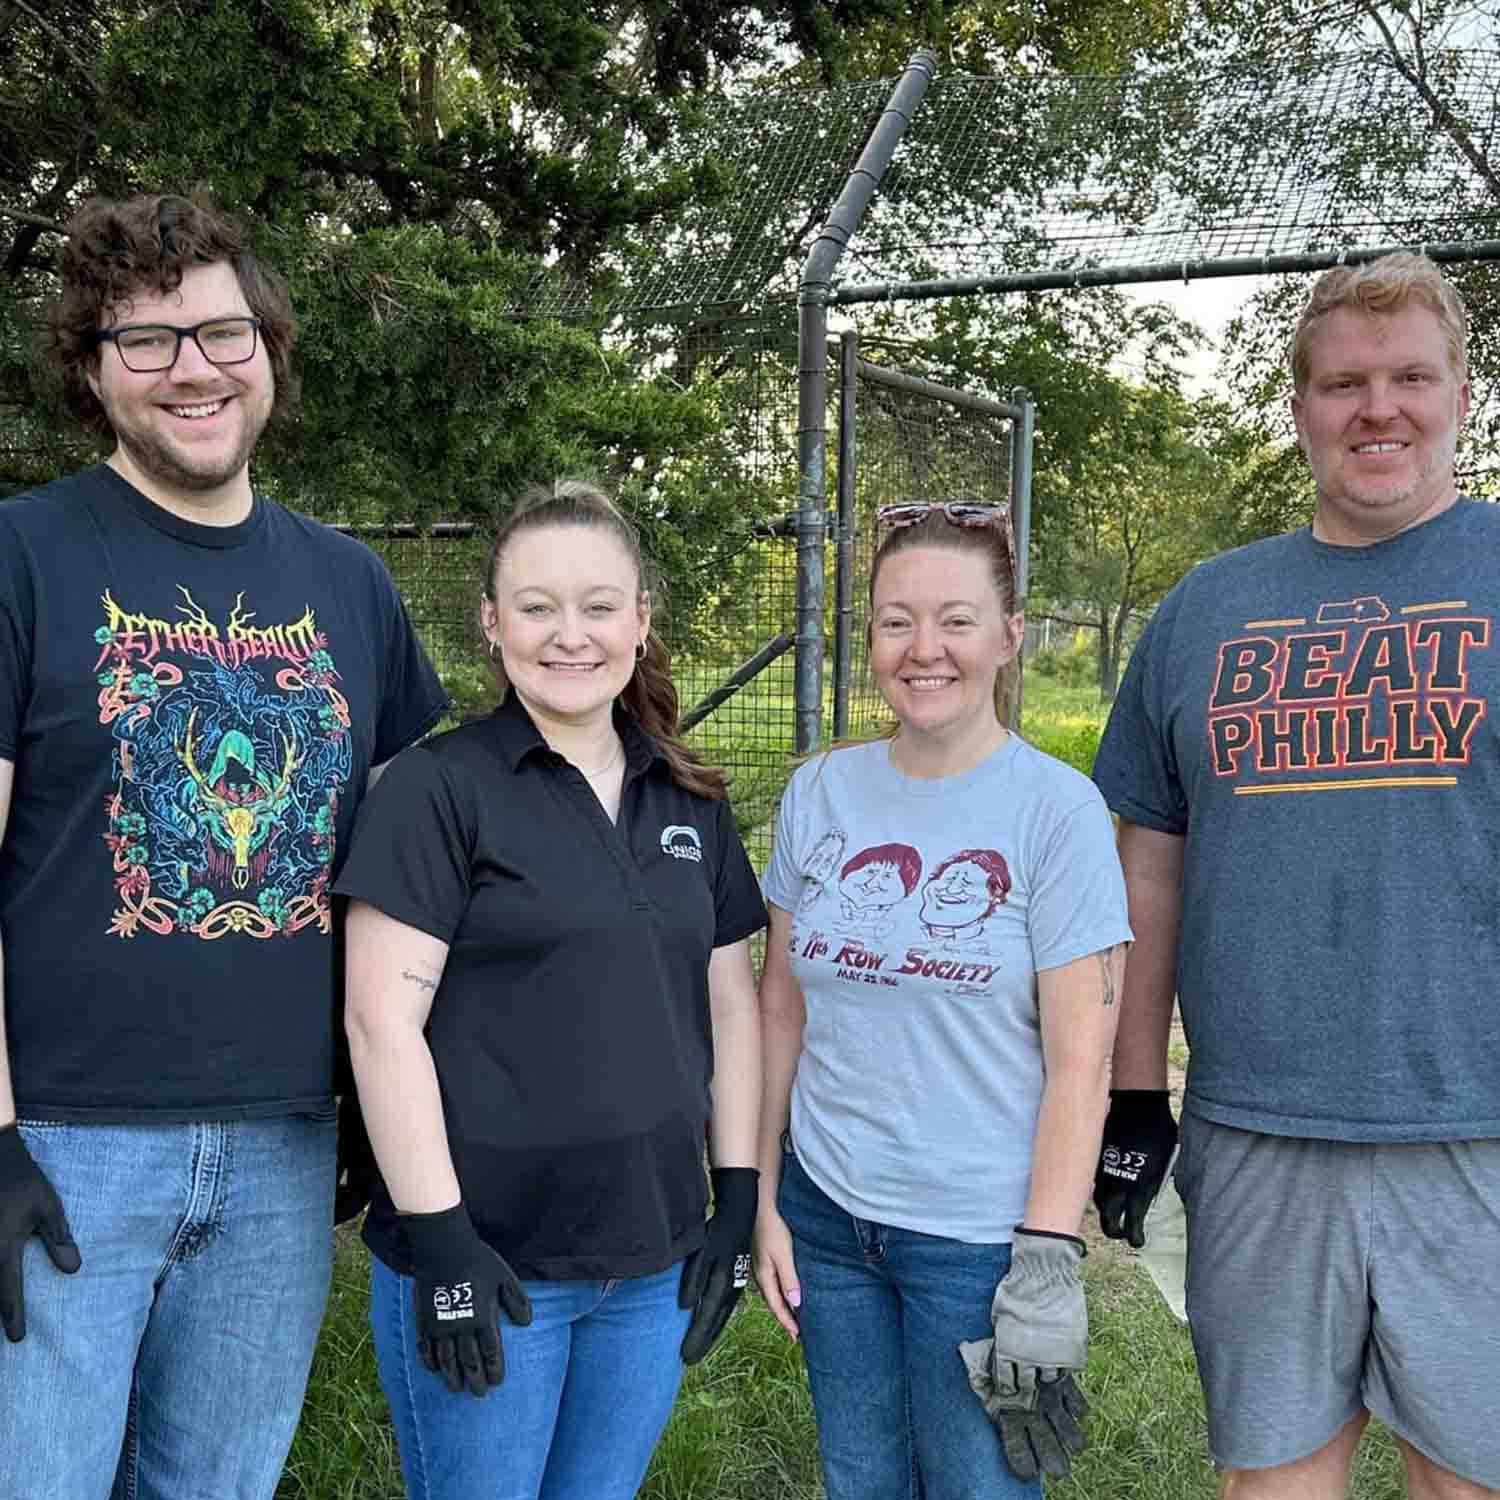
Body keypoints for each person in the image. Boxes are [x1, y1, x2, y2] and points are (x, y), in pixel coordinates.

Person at [0, 193, 448, 1496]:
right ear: (94, 373)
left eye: (221, 331)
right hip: (69, 1145)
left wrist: (392, 1097)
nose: (192, 368)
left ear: (268, 350)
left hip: (283, 1152)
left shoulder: (350, 585)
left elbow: (406, 878)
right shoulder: (23, 558)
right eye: (146, 342)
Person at [1091, 251, 1500, 1498]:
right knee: (1271, 1480)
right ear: (1302, 409)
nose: (1379, 407)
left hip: (1477, 1129)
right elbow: (1146, 867)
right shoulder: (1208, 608)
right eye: (1344, 383)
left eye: (1411, 377)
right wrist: (1130, 1096)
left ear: (1463, 393)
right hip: (1257, 1125)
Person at [334, 480, 767, 1500]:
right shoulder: (440, 790)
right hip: (490, 1260)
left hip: (651, 1261)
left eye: (599, 605)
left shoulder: (686, 793)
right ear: (491, 622)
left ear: (640, 620)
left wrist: (738, 1198)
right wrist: (440, 1239)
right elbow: (378, 1021)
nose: (569, 635)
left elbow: (733, 1007)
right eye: (536, 607)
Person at [753, 499, 1132, 1498]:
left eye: (956, 621)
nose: (925, 649)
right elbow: (779, 1008)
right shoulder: (820, 793)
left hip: (979, 1246)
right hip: (827, 1218)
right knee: (861, 1479)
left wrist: (1045, 1259)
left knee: (981, 1486)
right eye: (895, 621)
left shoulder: (1059, 813)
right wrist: (762, 1194)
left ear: (1010, 635)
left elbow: (1081, 1065)